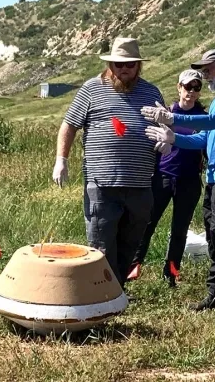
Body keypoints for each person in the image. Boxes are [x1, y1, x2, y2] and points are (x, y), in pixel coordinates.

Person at [142, 49, 215, 311]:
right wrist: (175, 139)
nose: (205, 76)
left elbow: (214, 121)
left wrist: (173, 118)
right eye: (202, 71)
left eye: (208, 70)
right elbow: (206, 138)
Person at [52, 37, 163, 288]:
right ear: (109, 65)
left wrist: (165, 142)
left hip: (141, 186)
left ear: (138, 66)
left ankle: (116, 291)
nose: (123, 69)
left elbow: (163, 127)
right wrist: (62, 160)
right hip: (102, 186)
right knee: (101, 246)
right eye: (117, 64)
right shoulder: (91, 89)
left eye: (129, 65)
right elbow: (69, 125)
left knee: (131, 244)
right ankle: (101, 296)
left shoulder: (151, 92)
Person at [128, 69, 206, 287]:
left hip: (189, 180)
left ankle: (171, 273)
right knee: (147, 224)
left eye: (196, 87)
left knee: (179, 229)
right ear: (179, 87)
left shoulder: (203, 118)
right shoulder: (167, 112)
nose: (191, 91)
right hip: (163, 176)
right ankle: (133, 268)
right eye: (187, 86)